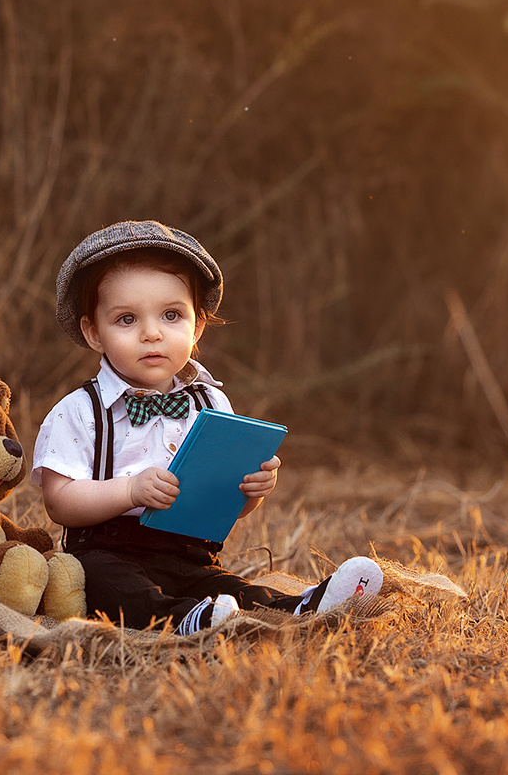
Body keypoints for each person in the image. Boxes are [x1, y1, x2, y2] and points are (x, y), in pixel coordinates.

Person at [32, 220, 383, 634]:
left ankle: (302, 606)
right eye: (127, 319)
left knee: (227, 586)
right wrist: (129, 490)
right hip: (109, 554)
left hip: (191, 555)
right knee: (111, 586)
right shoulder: (80, 411)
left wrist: (251, 491)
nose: (151, 333)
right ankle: (183, 620)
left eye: (171, 315)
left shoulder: (211, 403)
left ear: (197, 325)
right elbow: (59, 501)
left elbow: (223, 506)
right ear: (94, 333)